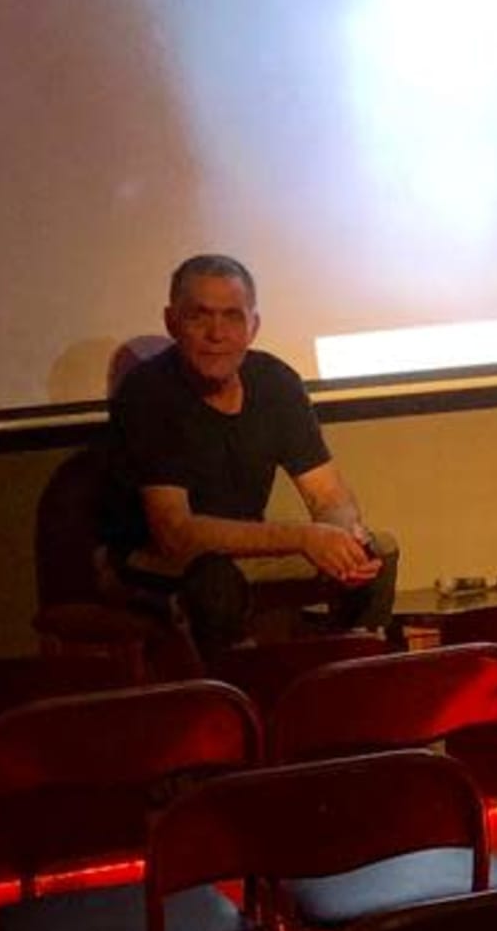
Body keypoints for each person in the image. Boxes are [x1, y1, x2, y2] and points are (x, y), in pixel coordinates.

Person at [102, 253, 391, 648]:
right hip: (157, 558)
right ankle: (233, 698)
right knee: (215, 580)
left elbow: (327, 493)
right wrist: (304, 537)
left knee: (375, 551)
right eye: (199, 316)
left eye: (232, 317)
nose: (216, 334)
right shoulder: (149, 394)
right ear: (172, 322)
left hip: (248, 548)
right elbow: (175, 532)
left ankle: (349, 667)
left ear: (253, 327)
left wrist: (346, 534)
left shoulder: (275, 381)